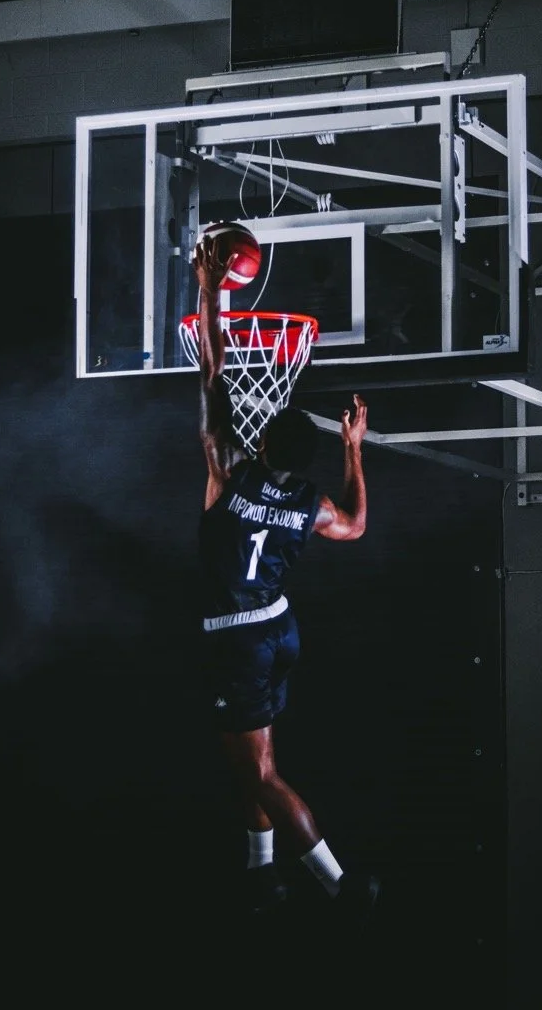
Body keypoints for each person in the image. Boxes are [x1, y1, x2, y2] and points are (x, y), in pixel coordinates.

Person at [192, 233, 380, 926]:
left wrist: (211, 288)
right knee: (249, 760)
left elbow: (213, 369)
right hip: (278, 629)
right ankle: (260, 872)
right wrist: (352, 450)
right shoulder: (311, 504)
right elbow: (357, 526)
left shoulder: (227, 469)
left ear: (262, 440)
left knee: (261, 772)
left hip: (237, 640)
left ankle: (339, 883)